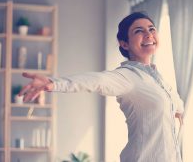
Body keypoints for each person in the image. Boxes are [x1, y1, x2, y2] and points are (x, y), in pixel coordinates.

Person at [19, 12, 184, 162]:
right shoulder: (127, 77)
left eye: (152, 29)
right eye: (138, 31)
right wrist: (53, 83)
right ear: (124, 44)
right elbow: (96, 80)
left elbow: (176, 105)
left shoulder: (158, 80)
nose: (148, 34)